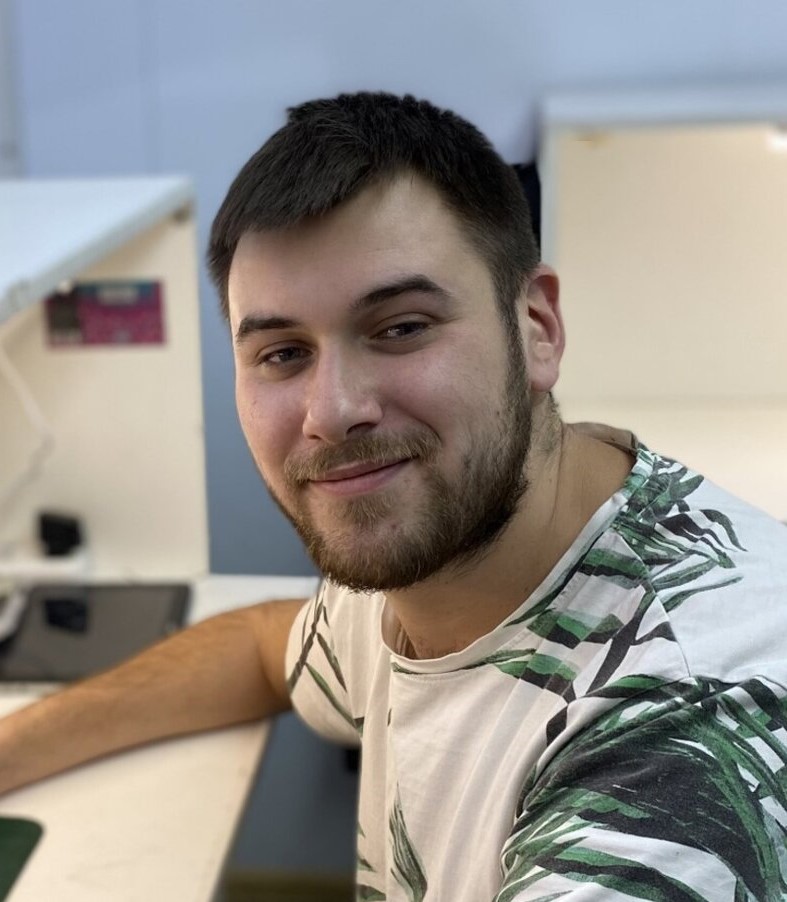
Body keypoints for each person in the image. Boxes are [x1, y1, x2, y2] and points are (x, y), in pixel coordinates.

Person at [2, 92, 787, 901]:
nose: (332, 411)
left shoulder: (680, 744)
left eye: (401, 327)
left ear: (536, 327)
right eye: (282, 353)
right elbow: (267, 648)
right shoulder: (441, 551)